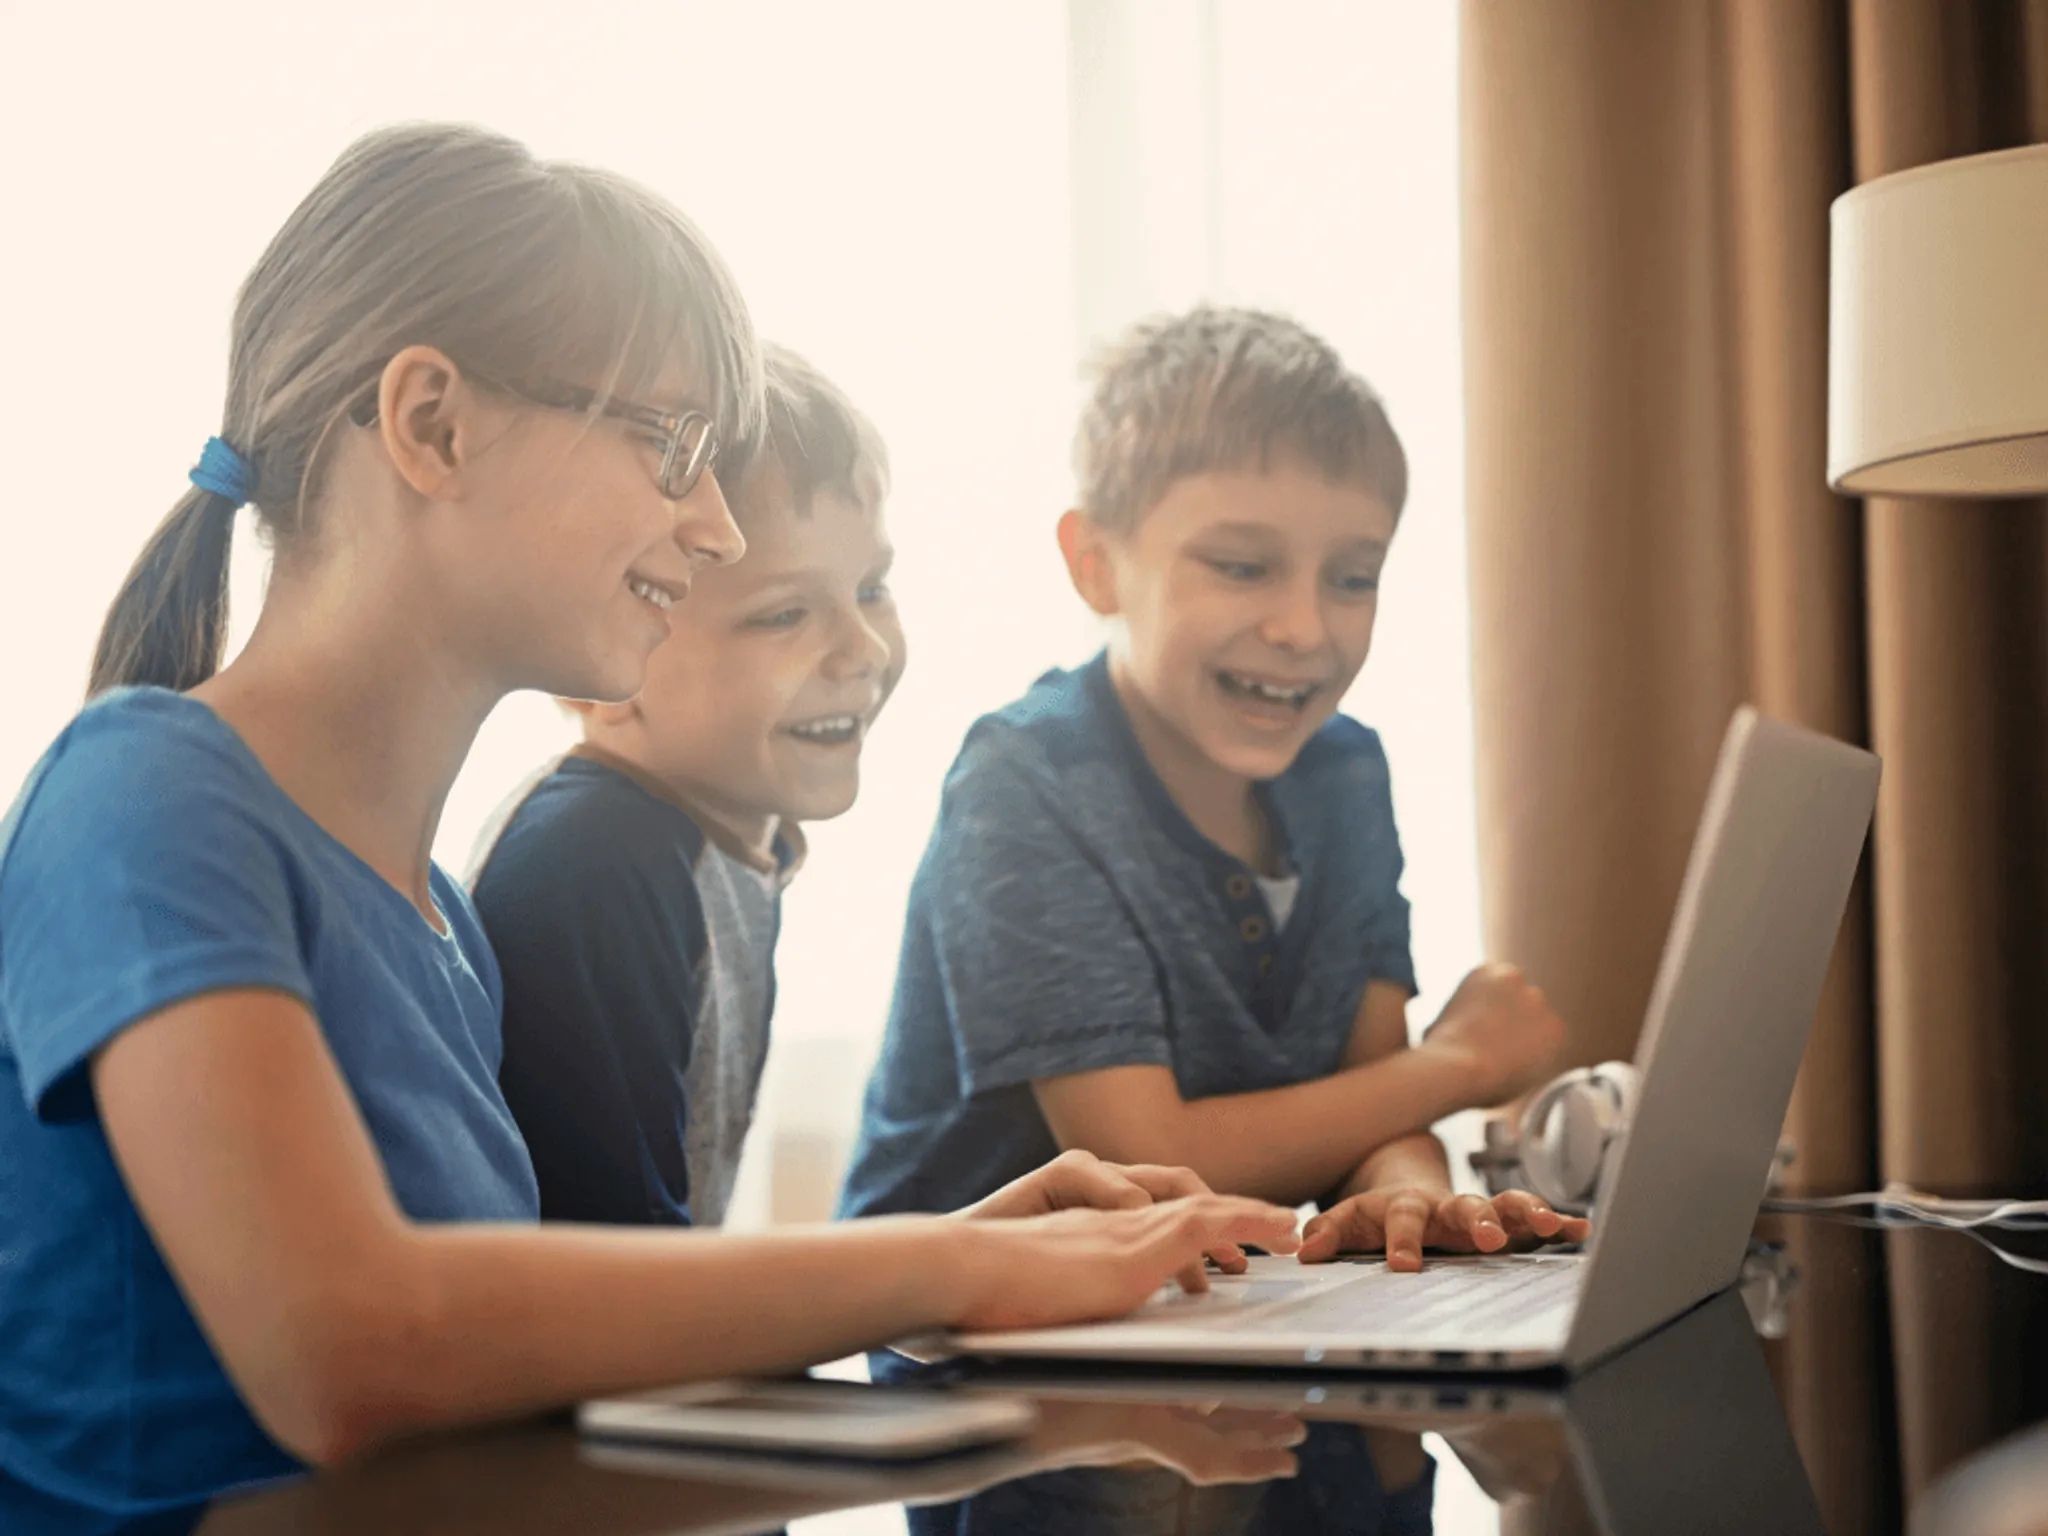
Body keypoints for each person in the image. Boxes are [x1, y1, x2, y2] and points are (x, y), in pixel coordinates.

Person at [0, 126, 1298, 1518]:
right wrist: (948, 1269)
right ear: (432, 425)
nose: (718, 528)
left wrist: (966, 1301)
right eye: (674, 445)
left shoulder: (441, 926)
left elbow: (512, 1382)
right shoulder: (146, 794)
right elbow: (349, 1349)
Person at [839, 305, 1589, 1271]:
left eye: (1353, 578)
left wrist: (1407, 1192)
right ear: (1097, 566)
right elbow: (1147, 1157)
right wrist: (1461, 1065)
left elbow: (1373, 1099)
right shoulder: (1025, 783)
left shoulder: (1345, 773)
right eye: (1243, 567)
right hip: (956, 1332)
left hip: (1217, 1307)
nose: (1303, 628)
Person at [473, 344, 903, 1228]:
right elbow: (620, 1263)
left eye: (871, 588)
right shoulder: (596, 864)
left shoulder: (727, 841)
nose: (863, 650)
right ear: (597, 659)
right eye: (784, 614)